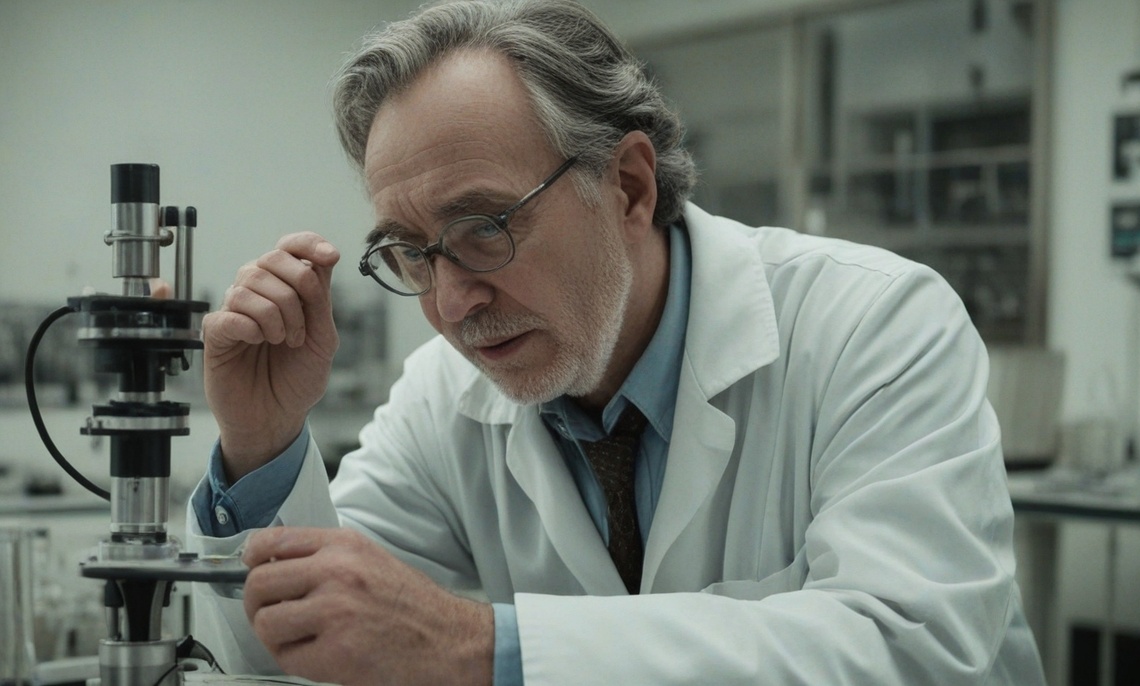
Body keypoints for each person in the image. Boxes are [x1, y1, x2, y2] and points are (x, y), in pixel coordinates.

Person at [185, 0, 1046, 684]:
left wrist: (483, 650)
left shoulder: (875, 324)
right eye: (412, 252)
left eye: (485, 228)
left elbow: (916, 652)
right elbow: (295, 657)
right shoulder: (446, 397)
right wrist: (262, 443)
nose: (450, 302)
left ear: (629, 186)